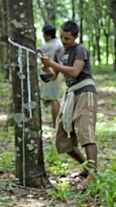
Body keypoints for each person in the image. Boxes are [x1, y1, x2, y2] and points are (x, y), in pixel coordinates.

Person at [41, 20, 98, 190]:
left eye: (67, 38)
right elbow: (54, 74)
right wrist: (46, 68)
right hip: (70, 93)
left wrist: (52, 64)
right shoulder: (59, 51)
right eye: (61, 37)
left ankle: (93, 175)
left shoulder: (80, 49)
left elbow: (74, 71)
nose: (63, 41)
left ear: (75, 37)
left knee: (85, 131)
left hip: (85, 91)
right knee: (62, 136)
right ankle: (86, 167)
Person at [38, 24, 62, 128]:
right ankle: (57, 122)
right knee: (55, 98)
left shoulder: (46, 46)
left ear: (48, 35)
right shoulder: (59, 44)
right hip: (58, 72)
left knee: (53, 99)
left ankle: (55, 123)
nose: (43, 36)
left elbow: (37, 52)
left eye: (44, 34)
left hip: (49, 73)